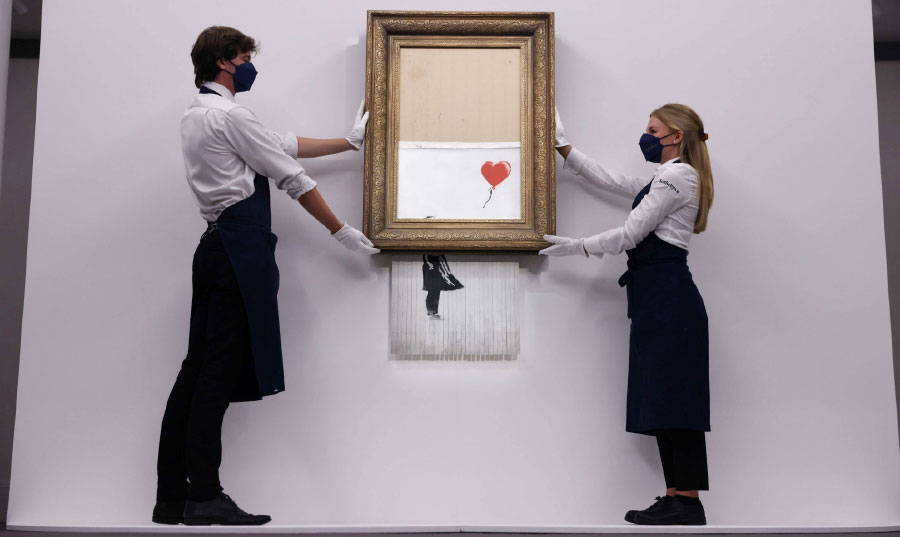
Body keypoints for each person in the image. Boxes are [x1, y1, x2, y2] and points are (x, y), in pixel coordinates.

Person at [153, 26, 378, 527]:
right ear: (225, 61)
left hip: (214, 247)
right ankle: (204, 496)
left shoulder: (197, 114)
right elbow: (291, 176)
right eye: (246, 57)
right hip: (240, 250)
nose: (251, 65)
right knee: (215, 374)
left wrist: (349, 143)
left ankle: (171, 497)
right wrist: (340, 230)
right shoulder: (230, 115)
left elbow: (279, 144)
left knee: (195, 371)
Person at [541, 104, 714, 525]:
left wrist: (578, 246)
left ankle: (687, 501)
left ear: (676, 135)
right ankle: (677, 497)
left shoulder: (678, 176)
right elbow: (612, 180)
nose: (646, 136)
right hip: (658, 298)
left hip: (670, 300)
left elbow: (630, 234)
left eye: (653, 130)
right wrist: (563, 147)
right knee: (665, 398)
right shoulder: (665, 177)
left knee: (676, 400)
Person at [422, 254, 464, 319]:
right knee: (432, 291)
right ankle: (431, 313)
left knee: (436, 291)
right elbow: (426, 256)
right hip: (431, 268)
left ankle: (433, 313)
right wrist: (429, 263)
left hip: (436, 267)